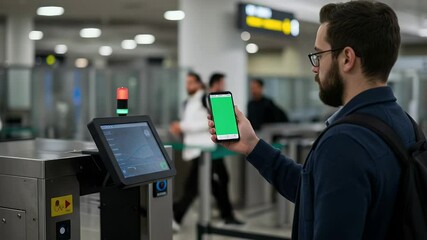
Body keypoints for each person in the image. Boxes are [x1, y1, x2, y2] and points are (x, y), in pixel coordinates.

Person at [208, 1, 415, 239]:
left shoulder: (345, 143)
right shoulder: (404, 124)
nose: (315, 68)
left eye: (319, 54)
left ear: (347, 58)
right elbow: (318, 194)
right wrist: (252, 146)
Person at [207, 72, 243, 225]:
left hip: (215, 148)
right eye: (222, 83)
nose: (224, 86)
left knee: (220, 179)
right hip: (207, 149)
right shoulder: (206, 100)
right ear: (217, 83)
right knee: (209, 181)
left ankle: (226, 213)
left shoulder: (217, 101)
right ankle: (226, 213)